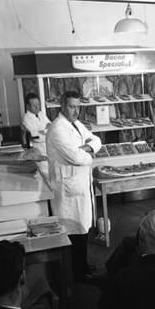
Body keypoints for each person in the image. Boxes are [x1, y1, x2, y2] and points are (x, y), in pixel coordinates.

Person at [46, 91, 102, 281]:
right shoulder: (57, 129)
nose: (76, 110)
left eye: (78, 106)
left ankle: (83, 266)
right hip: (68, 189)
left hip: (81, 186)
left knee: (83, 230)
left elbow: (96, 140)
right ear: (62, 106)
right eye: (72, 106)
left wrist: (86, 148)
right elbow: (76, 158)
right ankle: (77, 273)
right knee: (74, 233)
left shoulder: (76, 125)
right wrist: (89, 154)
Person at [21, 93, 51, 157]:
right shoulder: (26, 119)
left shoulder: (41, 114)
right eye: (34, 105)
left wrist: (43, 131)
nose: (37, 107)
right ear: (28, 106)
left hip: (49, 149)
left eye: (38, 104)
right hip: (38, 151)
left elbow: (51, 126)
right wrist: (47, 131)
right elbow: (36, 137)